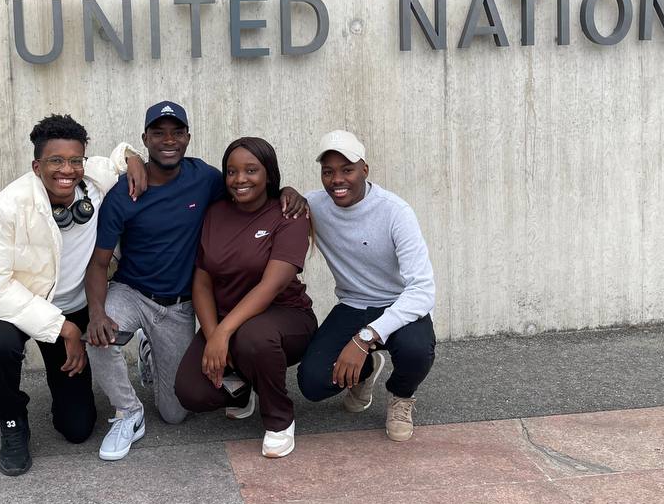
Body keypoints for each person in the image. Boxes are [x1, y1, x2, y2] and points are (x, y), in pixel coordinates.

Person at [85, 101, 307, 462]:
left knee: (176, 413)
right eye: (158, 133)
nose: (168, 140)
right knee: (100, 334)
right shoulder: (123, 193)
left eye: (177, 132)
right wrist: (96, 312)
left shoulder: (205, 179)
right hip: (132, 292)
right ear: (145, 139)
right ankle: (128, 412)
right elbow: (98, 264)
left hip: (179, 306)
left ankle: (152, 352)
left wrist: (288, 191)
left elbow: (251, 184)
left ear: (188, 137)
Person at [0, 114, 145, 476]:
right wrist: (65, 329)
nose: (67, 170)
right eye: (56, 161)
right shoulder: (5, 209)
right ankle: (11, 419)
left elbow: (120, 157)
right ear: (37, 165)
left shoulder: (93, 181)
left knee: (76, 429)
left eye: (75, 160)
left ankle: (67, 397)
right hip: (22, 308)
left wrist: (133, 158)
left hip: (74, 308)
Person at [174, 137, 316, 458]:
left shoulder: (288, 213)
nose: (240, 179)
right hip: (227, 322)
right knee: (191, 393)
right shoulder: (214, 213)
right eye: (232, 171)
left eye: (251, 170)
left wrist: (223, 334)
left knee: (253, 338)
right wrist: (213, 336)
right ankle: (240, 391)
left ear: (269, 174)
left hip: (285, 318)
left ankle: (279, 419)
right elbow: (202, 282)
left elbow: (271, 286)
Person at [296, 129, 437, 441]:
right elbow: (282, 208)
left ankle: (401, 396)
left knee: (417, 351)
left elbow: (423, 290)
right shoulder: (315, 206)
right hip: (352, 305)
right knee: (312, 383)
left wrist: (364, 338)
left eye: (347, 170)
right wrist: (286, 193)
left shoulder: (395, 211)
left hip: (398, 303)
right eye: (328, 172)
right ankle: (367, 368)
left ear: (364, 170)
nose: (337, 180)